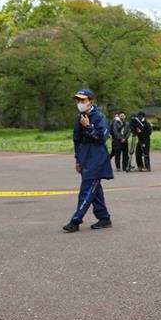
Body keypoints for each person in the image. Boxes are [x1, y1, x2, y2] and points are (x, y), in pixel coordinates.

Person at [63, 90, 114, 233]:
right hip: (85, 159)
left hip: (97, 159)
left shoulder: (99, 117)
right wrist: (78, 160)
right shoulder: (79, 117)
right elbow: (76, 140)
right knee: (94, 190)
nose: (79, 103)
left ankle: (75, 220)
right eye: (78, 101)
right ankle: (104, 218)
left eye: (82, 100)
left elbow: (102, 138)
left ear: (90, 101)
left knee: (86, 190)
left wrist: (88, 126)